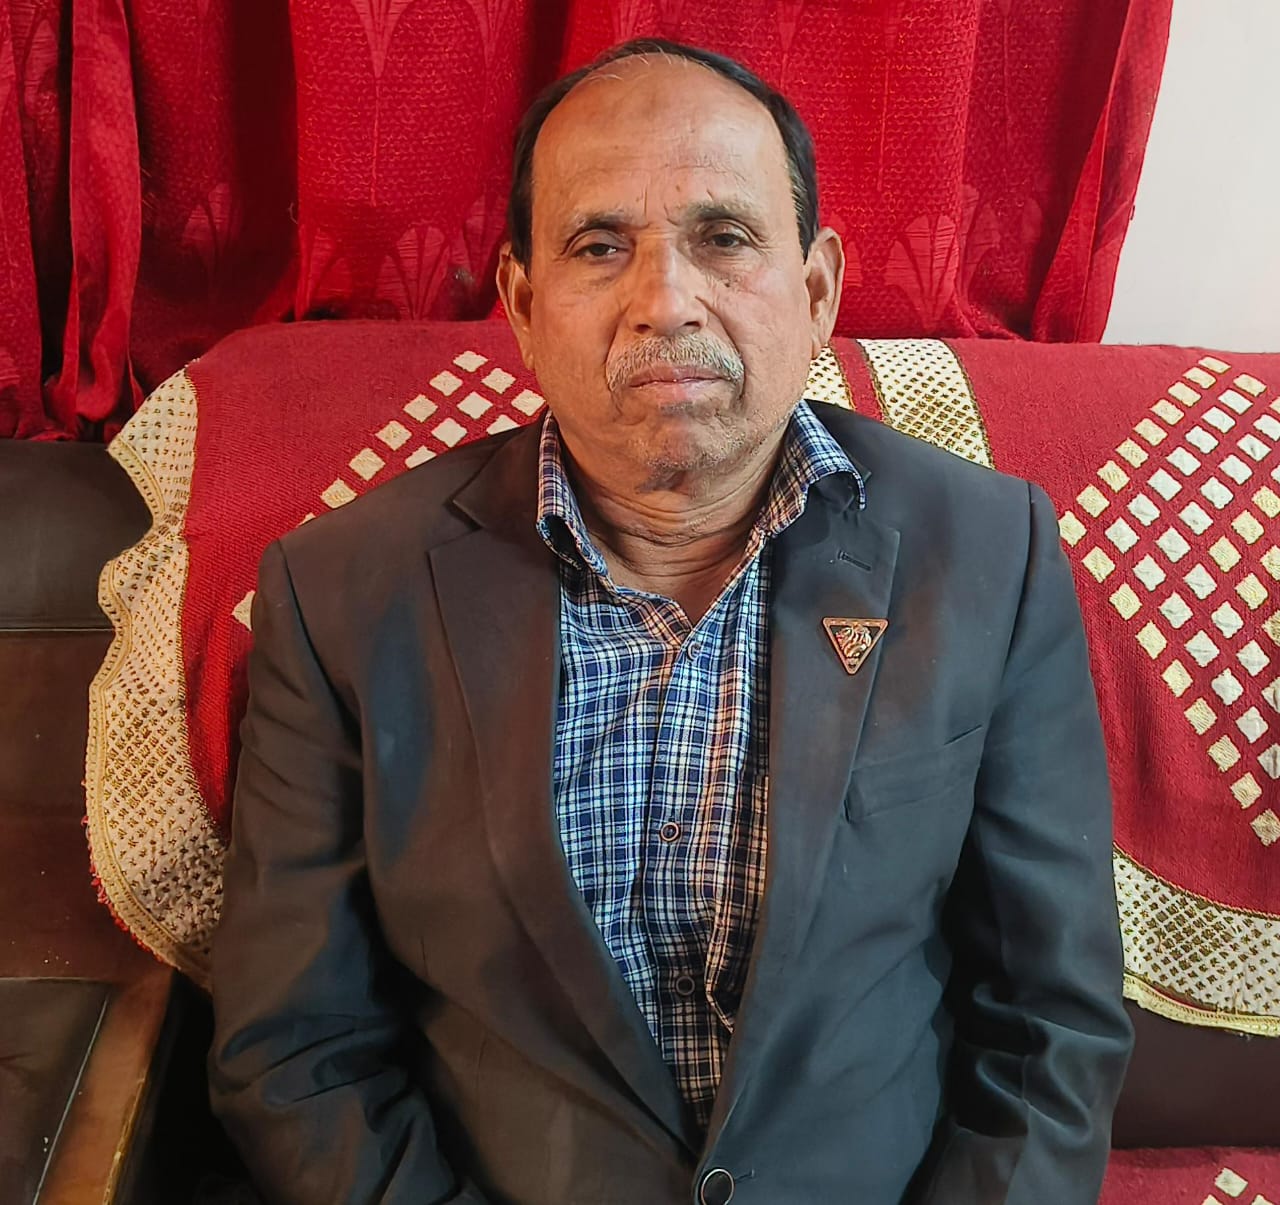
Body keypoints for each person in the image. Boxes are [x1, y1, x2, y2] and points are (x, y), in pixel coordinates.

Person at [209, 38, 1133, 1205]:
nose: (663, 300)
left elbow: (1048, 1024)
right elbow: (296, 1051)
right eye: (600, 246)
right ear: (522, 304)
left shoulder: (987, 556)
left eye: (723, 237)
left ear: (815, 292)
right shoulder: (342, 591)